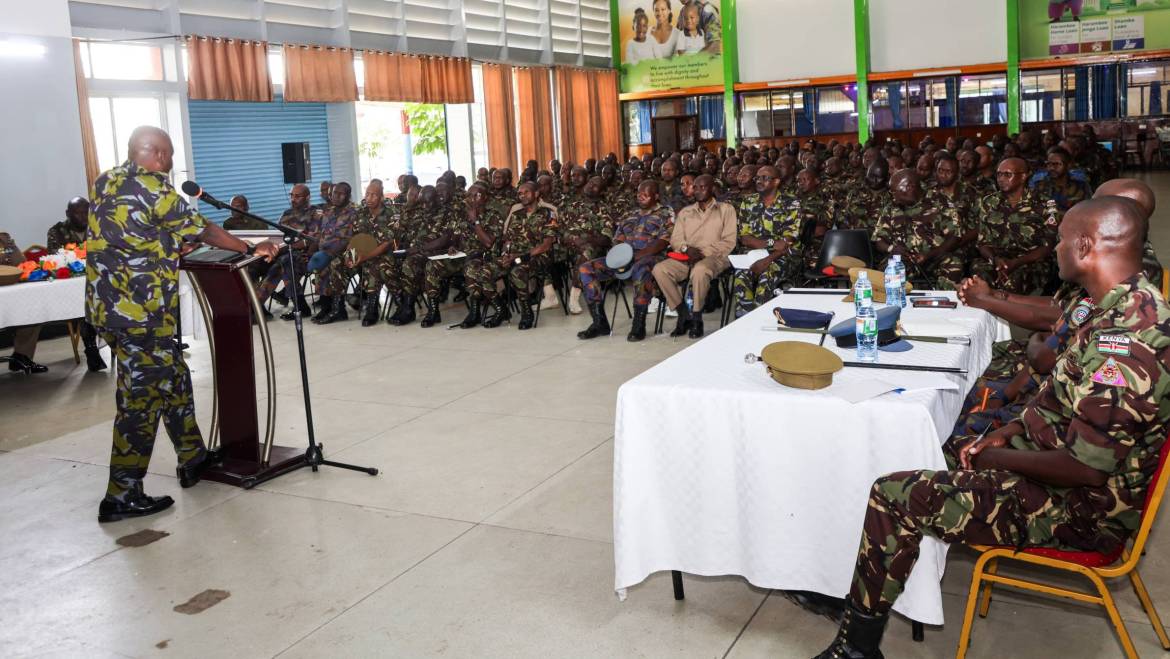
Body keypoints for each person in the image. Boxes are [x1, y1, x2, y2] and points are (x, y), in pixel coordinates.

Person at [812, 196, 1170, 659]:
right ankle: (862, 585)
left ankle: (856, 648)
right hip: (1053, 465)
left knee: (894, 493)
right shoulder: (1106, 305)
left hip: (1080, 510)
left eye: (1060, 239)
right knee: (925, 447)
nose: (1055, 248)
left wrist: (991, 455)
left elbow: (1086, 469)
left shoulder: (1131, 339)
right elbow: (1060, 399)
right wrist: (1007, 430)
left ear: (1084, 246)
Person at [87, 126, 278, 523]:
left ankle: (193, 457)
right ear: (156, 154)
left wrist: (167, 243)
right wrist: (249, 248)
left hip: (110, 309)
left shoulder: (106, 180)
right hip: (141, 314)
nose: (171, 163)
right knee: (140, 402)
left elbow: (130, 233)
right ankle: (121, 494)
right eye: (169, 155)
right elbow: (205, 229)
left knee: (173, 378)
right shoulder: (156, 190)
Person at [577, 180, 674, 342]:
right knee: (586, 268)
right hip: (624, 258)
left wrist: (634, 258)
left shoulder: (665, 214)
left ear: (656, 196)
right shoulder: (629, 214)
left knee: (640, 268)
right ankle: (599, 322)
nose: (640, 197)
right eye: (638, 194)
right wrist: (620, 257)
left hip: (651, 258)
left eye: (645, 194)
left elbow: (662, 242)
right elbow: (618, 240)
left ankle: (638, 325)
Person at [652, 174, 736, 339]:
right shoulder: (686, 212)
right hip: (686, 256)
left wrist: (702, 254)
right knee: (659, 269)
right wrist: (685, 248)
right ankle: (683, 313)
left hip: (716, 257)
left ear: (712, 188)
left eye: (702, 187)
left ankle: (696, 317)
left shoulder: (726, 210)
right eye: (695, 187)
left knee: (700, 270)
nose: (698, 190)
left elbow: (729, 241)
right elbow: (675, 239)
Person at [464, 182, 556, 330]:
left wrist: (521, 256)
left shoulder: (548, 214)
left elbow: (546, 245)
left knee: (516, 271)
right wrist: (506, 254)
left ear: (537, 193)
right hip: (514, 256)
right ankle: (501, 309)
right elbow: (508, 240)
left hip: (537, 257)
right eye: (520, 193)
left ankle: (526, 312)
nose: (522, 195)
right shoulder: (516, 215)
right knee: (483, 272)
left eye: (526, 192)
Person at [971, 158, 1055, 295]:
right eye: (998, 174)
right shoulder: (989, 202)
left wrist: (1016, 263)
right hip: (997, 259)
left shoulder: (1044, 203)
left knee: (1015, 280)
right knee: (980, 274)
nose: (1001, 179)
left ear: (1023, 176)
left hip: (1030, 260)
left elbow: (1048, 246)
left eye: (1007, 174)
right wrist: (995, 260)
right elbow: (982, 243)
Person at [872, 169, 964, 290]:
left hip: (935, 257)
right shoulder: (891, 208)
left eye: (895, 191)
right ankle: (896, 304)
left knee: (953, 263)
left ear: (910, 187)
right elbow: (878, 239)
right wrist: (892, 248)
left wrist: (929, 255)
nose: (892, 196)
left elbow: (955, 237)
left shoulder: (941, 202)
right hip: (904, 258)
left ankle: (944, 302)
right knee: (889, 268)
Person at [731, 165, 801, 318]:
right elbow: (745, 238)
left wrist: (768, 259)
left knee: (766, 274)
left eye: (765, 178)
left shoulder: (791, 202)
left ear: (776, 182)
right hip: (753, 254)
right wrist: (771, 243)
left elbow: (786, 242)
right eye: (757, 178)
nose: (759, 181)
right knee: (741, 275)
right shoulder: (748, 202)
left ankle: (759, 318)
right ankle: (744, 318)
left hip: (783, 257)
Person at [255, 184, 322, 320]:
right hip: (283, 253)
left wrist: (287, 246)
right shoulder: (286, 214)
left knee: (284, 263)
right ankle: (255, 306)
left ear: (308, 197)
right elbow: (277, 236)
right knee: (257, 263)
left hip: (306, 255)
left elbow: (313, 239)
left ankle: (300, 307)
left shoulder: (316, 214)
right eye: (291, 195)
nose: (293, 199)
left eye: (297, 196)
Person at [556, 176, 613, 315]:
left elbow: (606, 238)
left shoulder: (603, 209)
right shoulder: (571, 205)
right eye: (590, 182)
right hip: (567, 245)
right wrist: (571, 239)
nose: (590, 186)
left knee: (585, 253)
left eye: (595, 185)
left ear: (601, 192)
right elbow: (558, 228)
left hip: (591, 248)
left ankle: (574, 296)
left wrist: (586, 240)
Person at [349, 180, 403, 326]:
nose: (369, 198)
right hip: (364, 253)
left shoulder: (392, 213)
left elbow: (388, 243)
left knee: (377, 264)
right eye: (367, 194)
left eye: (374, 195)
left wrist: (365, 257)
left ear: (381, 197)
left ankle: (393, 304)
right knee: (338, 262)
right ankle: (335, 304)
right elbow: (354, 238)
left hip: (389, 253)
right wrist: (352, 256)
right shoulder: (361, 212)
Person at [454, 184, 506, 328]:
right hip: (468, 256)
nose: (471, 199)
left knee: (473, 270)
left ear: (486, 198)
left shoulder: (493, 215)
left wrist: (476, 221)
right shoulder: (464, 216)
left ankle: (497, 309)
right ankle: (477, 311)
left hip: (490, 257)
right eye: (469, 195)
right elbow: (457, 237)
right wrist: (454, 246)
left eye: (475, 196)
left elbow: (488, 243)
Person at [308, 182, 357, 325]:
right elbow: (319, 235)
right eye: (335, 193)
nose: (336, 196)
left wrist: (331, 253)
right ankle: (326, 306)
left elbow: (353, 238)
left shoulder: (354, 212)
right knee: (320, 263)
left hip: (350, 252)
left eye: (341, 193)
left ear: (348, 195)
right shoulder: (328, 212)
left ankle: (339, 310)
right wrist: (314, 248)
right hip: (327, 252)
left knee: (334, 263)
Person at [1, 232, 47, 374]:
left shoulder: (3, 239)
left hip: (8, 294)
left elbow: (22, 264)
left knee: (32, 308)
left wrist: (9, 246)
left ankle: (22, 356)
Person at [837, 159, 891, 232]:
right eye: (871, 176)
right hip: (850, 235)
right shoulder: (855, 192)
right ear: (867, 173)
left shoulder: (891, 198)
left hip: (875, 240)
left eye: (879, 177)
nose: (874, 180)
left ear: (887, 177)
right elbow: (842, 217)